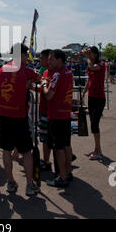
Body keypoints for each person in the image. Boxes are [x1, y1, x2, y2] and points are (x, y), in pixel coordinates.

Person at [0, 43, 40, 196]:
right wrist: (29, 82)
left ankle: (10, 182)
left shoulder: (2, 69)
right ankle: (29, 184)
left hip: (3, 115)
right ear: (22, 55)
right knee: (26, 152)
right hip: (19, 117)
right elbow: (39, 77)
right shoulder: (25, 70)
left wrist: (27, 83)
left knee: (6, 151)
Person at [41, 50, 73, 188]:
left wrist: (43, 85)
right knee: (66, 145)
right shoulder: (68, 72)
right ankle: (67, 171)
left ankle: (62, 177)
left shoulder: (58, 74)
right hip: (65, 114)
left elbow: (48, 95)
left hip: (56, 115)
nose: (49, 62)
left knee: (58, 148)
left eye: (51, 59)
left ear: (59, 60)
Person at [82, 46, 106, 160]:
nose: (89, 54)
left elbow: (93, 67)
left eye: (90, 53)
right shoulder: (90, 64)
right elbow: (89, 79)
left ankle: (98, 150)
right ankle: (97, 149)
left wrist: (87, 57)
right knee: (92, 124)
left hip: (99, 98)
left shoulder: (101, 63)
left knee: (95, 124)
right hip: (91, 97)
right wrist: (84, 92)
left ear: (95, 54)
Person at [38, 49, 53, 172]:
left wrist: (42, 85)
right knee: (45, 138)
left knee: (49, 139)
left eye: (42, 58)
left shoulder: (54, 74)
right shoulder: (45, 72)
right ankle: (46, 159)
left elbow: (48, 93)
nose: (40, 60)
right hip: (43, 108)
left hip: (51, 111)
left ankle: (47, 161)